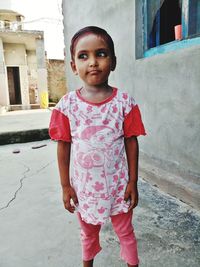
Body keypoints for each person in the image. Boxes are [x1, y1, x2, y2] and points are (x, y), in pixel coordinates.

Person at [49, 26, 146, 267]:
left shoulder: (125, 102)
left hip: (118, 187)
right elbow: (63, 147)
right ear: (73, 66)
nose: (93, 62)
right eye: (83, 56)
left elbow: (131, 142)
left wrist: (133, 181)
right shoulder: (66, 106)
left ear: (113, 62)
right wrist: (65, 186)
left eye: (101, 54)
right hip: (85, 190)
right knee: (88, 234)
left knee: (126, 233)